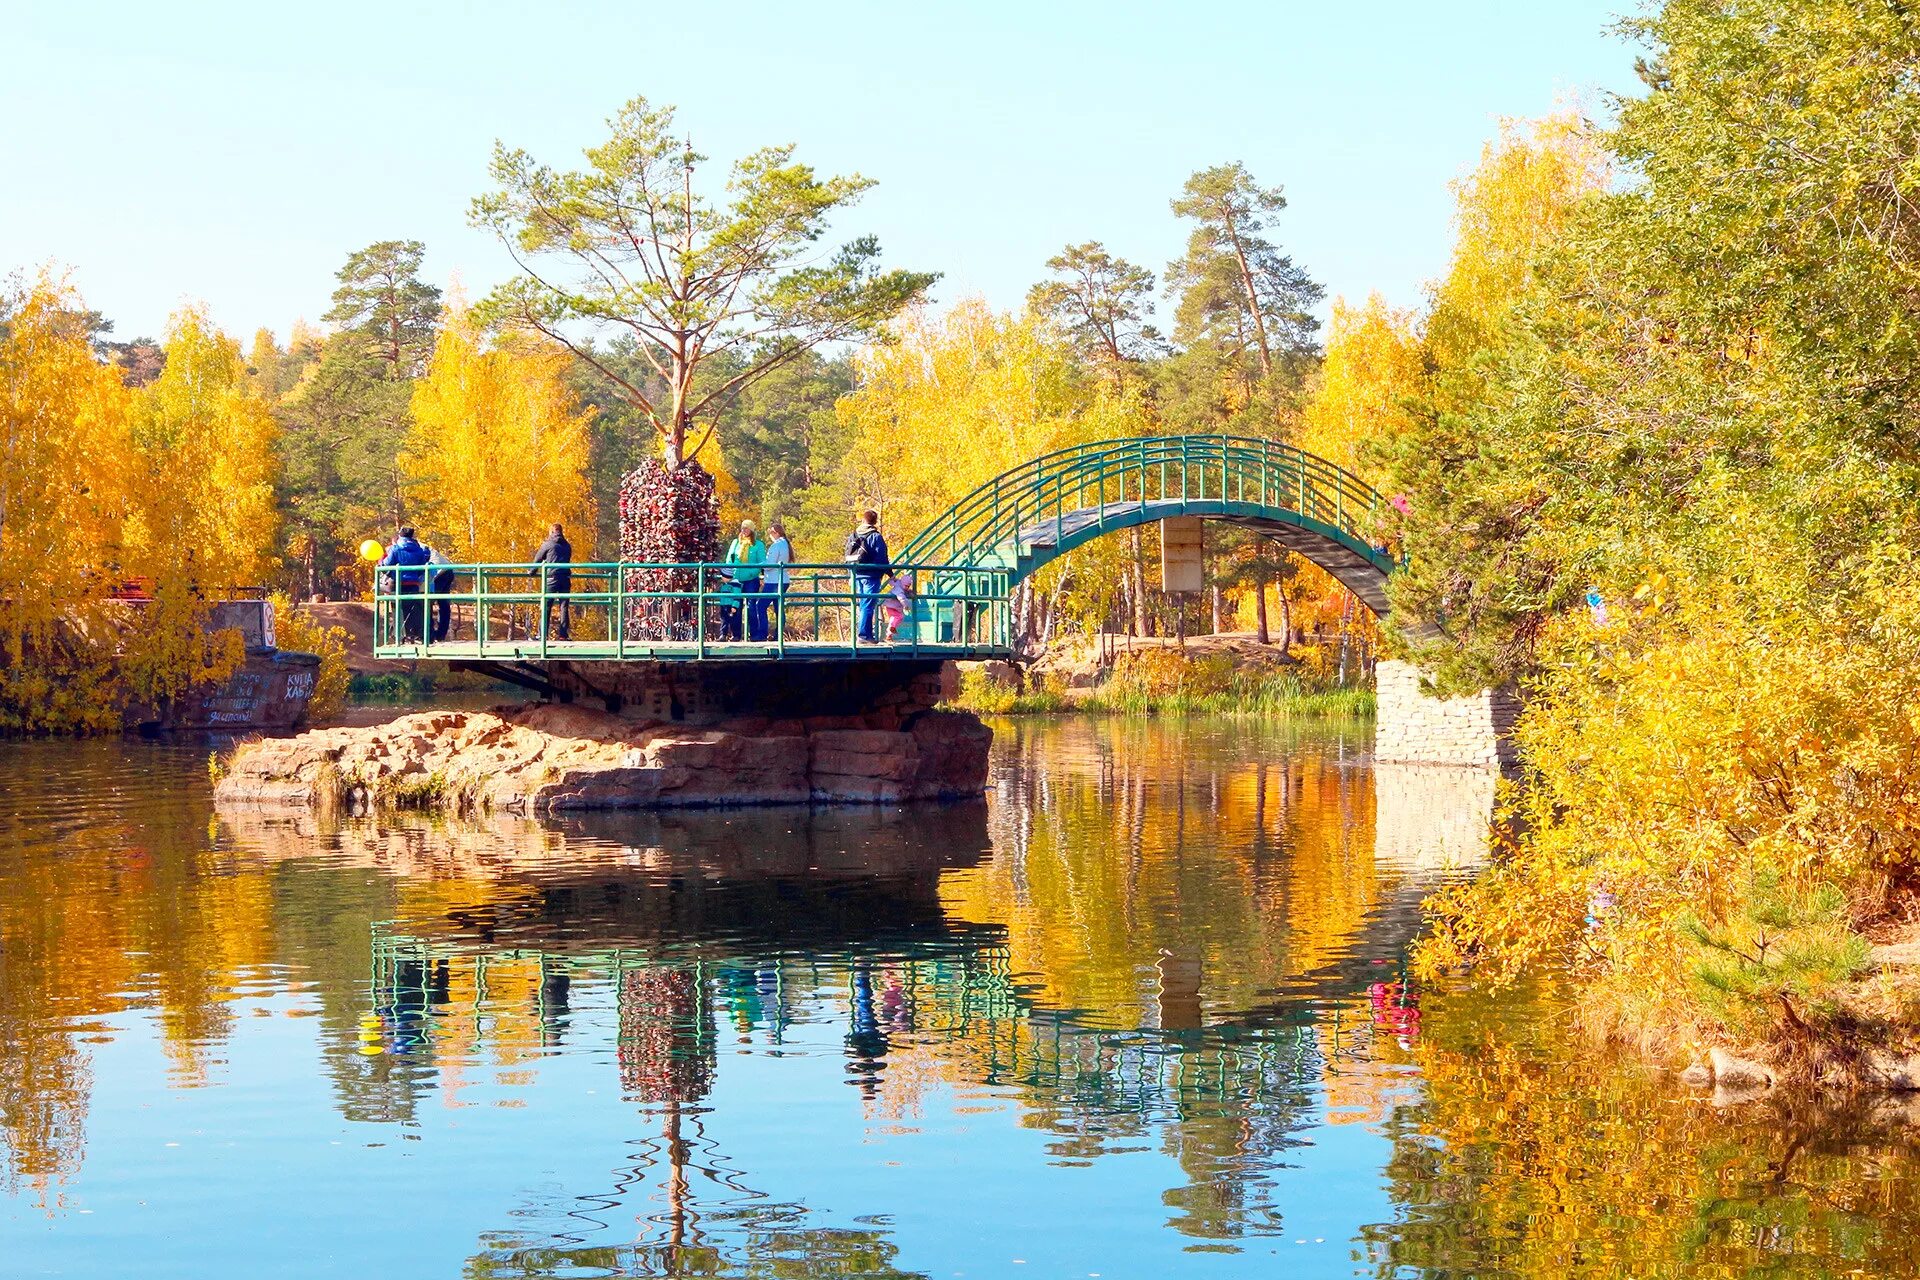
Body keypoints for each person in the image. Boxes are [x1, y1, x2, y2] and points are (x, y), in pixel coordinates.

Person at [378, 525, 431, 643]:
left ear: (400, 535)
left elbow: (386, 565)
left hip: (398, 583)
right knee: (413, 609)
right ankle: (415, 635)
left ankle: (400, 635)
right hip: (413, 583)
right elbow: (422, 567)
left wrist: (380, 562)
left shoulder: (396, 549)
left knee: (398, 608)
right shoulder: (418, 550)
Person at [844, 509, 890, 643]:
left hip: (857, 573)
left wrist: (849, 574)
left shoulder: (854, 535)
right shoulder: (876, 536)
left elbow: (848, 555)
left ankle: (865, 634)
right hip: (872, 575)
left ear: (863, 520)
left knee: (863, 604)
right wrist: (890, 574)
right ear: (875, 522)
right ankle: (864, 635)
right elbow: (882, 558)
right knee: (868, 605)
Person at [723, 520, 765, 641]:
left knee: (751, 606)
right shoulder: (736, 543)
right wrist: (730, 574)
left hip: (751, 579)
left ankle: (754, 635)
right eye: (742, 528)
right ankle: (736, 635)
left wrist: (753, 572)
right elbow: (729, 559)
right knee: (736, 606)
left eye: (746, 528)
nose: (744, 530)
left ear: (751, 530)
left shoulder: (758, 545)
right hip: (736, 579)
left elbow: (761, 561)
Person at [532, 523, 572, 641]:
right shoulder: (567, 545)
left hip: (551, 578)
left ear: (551, 532)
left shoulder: (548, 544)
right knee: (564, 606)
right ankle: (563, 635)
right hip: (565, 578)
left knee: (546, 606)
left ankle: (542, 635)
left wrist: (531, 572)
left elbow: (538, 559)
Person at [762, 521, 793, 640]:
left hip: (774, 580)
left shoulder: (776, 546)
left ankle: (762, 634)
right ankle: (778, 636)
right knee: (778, 608)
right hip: (783, 579)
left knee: (761, 606)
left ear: (776, 533)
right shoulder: (785, 544)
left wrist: (760, 566)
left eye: (771, 532)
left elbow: (770, 564)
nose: (770, 534)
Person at [427, 546, 455, 643]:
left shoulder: (410, 547)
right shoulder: (419, 545)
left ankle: (429, 635)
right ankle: (440, 635)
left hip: (438, 573)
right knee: (444, 604)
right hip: (447, 570)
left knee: (426, 603)